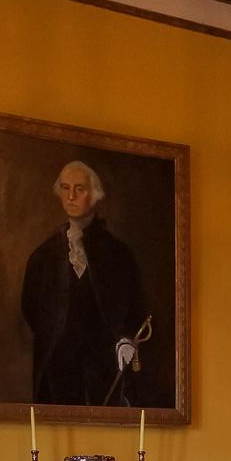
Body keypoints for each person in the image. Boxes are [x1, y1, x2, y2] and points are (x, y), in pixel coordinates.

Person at [21, 161, 147, 406]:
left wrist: (125, 339)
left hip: (106, 364)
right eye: (66, 188)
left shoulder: (118, 254)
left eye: (79, 189)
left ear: (95, 194)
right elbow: (30, 308)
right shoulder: (42, 256)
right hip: (58, 366)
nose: (71, 196)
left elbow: (136, 307)